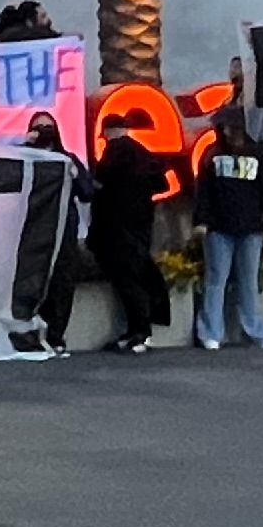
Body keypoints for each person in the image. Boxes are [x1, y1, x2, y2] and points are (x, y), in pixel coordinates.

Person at [186, 100, 263, 351]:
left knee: (248, 281)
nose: (228, 132)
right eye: (225, 127)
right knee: (216, 279)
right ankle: (210, 332)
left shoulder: (258, 155)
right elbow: (203, 192)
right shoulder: (212, 156)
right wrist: (201, 221)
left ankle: (256, 331)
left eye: (233, 127)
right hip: (218, 227)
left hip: (250, 227)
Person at [87, 120, 177, 353]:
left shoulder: (112, 156)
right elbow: (163, 183)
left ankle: (139, 330)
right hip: (140, 227)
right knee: (137, 277)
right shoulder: (143, 155)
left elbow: (98, 188)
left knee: (127, 282)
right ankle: (140, 329)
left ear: (108, 132)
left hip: (114, 230)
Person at [19, 111, 88, 354]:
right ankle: (30, 333)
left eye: (49, 127)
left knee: (62, 282)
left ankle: (57, 335)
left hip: (64, 229)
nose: (45, 132)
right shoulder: (24, 155)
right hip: (34, 230)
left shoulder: (67, 159)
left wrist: (76, 176)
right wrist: (25, 145)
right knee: (33, 281)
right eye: (40, 127)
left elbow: (88, 192)